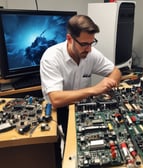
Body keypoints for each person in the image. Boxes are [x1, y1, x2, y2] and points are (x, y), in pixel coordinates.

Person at [40, 14, 122, 167]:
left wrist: (110, 83)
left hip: (83, 108)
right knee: (63, 155)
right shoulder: (51, 58)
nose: (89, 49)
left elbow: (116, 72)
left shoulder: (90, 53)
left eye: (92, 43)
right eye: (84, 44)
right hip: (59, 110)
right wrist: (94, 90)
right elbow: (55, 99)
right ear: (70, 39)